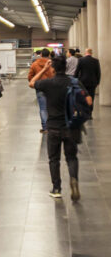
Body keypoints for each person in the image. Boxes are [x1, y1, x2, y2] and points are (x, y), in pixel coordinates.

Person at [30, 56, 91, 201]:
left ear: (53, 68)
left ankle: (56, 188)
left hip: (53, 127)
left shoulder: (48, 83)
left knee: (54, 159)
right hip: (71, 126)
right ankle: (74, 179)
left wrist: (44, 69)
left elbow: (31, 83)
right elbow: (88, 100)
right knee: (71, 157)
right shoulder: (74, 82)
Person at [28, 49, 54, 133]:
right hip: (51, 87)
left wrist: (35, 81)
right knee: (52, 107)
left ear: (41, 54)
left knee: (43, 108)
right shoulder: (52, 64)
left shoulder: (35, 64)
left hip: (40, 87)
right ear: (49, 55)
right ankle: (52, 125)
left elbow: (30, 77)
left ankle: (45, 128)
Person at [75, 48, 101, 117]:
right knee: (91, 97)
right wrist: (97, 81)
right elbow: (98, 72)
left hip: (82, 82)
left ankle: (84, 112)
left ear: (85, 52)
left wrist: (75, 80)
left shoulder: (81, 60)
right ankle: (90, 114)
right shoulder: (96, 61)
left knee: (83, 97)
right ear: (91, 53)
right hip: (92, 82)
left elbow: (77, 71)